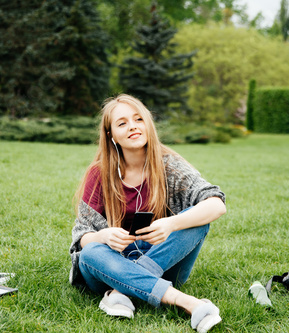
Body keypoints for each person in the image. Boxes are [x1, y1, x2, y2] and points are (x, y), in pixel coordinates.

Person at [69, 94, 226, 332]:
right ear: (111, 135)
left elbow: (216, 204)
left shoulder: (170, 165)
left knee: (195, 220)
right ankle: (187, 303)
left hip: (161, 259)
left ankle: (121, 291)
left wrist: (172, 224)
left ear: (147, 124)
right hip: (111, 263)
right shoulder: (99, 173)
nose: (132, 126)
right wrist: (103, 237)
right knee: (90, 252)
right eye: (122, 123)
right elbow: (82, 235)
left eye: (138, 119)